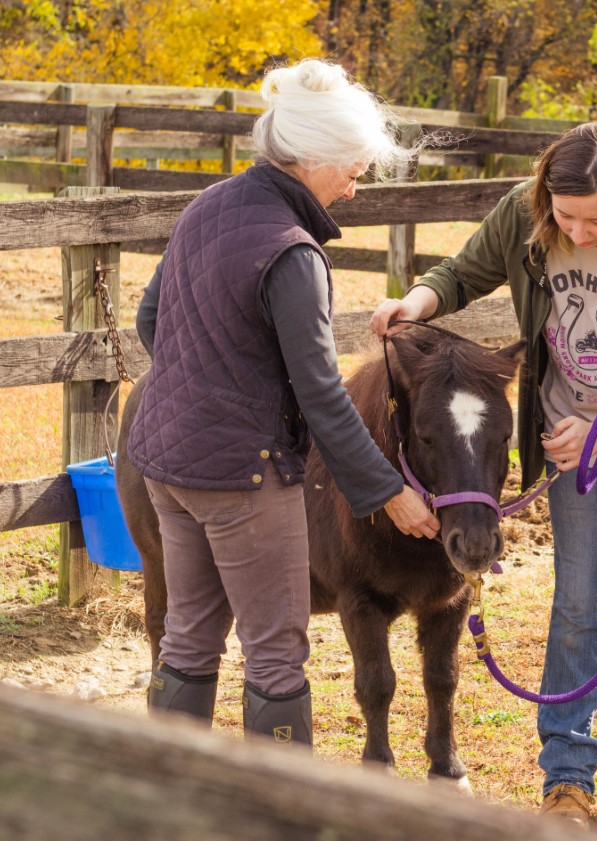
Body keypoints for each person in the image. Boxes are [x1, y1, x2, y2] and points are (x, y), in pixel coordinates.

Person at [371, 122, 597, 829]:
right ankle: (566, 771)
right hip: (566, 447)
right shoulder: (526, 218)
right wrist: (416, 305)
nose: (580, 231)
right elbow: (462, 272)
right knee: (576, 604)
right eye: (566, 215)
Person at [127, 59, 439, 749]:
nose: (356, 186)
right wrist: (391, 494)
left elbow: (154, 323)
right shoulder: (293, 252)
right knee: (274, 651)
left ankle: (174, 792)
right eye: (352, 170)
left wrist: (209, 381)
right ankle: (279, 813)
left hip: (167, 461)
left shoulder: (207, 206)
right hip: (243, 474)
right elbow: (323, 396)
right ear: (312, 158)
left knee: (189, 633)